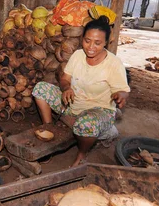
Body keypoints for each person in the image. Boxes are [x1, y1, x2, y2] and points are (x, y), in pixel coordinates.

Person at [32, 16, 130, 167]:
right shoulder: (77, 55)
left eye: (97, 43)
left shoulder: (114, 63)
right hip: (72, 104)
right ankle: (50, 129)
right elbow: (65, 79)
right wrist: (66, 88)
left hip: (99, 110)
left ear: (106, 43)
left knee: (84, 125)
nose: (91, 46)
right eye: (87, 40)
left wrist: (121, 95)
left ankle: (82, 153)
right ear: (82, 38)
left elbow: (123, 90)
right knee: (40, 89)